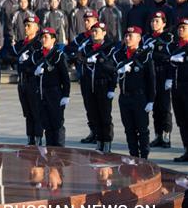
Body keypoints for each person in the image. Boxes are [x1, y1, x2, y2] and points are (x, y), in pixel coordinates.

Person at [112, 26, 155, 159]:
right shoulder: (119, 55)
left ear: (139, 39)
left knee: (142, 130)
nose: (127, 38)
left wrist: (151, 100)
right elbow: (109, 68)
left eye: (131, 36)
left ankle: (144, 158)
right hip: (125, 98)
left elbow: (151, 79)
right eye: (126, 36)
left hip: (139, 97)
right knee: (129, 130)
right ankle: (133, 156)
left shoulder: (145, 56)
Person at [75, 22, 117, 153]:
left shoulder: (109, 48)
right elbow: (78, 59)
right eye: (93, 31)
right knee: (94, 115)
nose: (94, 33)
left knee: (105, 116)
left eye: (97, 31)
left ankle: (107, 142)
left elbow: (113, 69)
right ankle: (99, 141)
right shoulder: (86, 47)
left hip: (103, 85)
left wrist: (111, 88)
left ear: (104, 33)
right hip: (89, 85)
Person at [33, 27, 70, 147]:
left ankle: (59, 152)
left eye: (46, 37)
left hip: (55, 93)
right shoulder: (37, 54)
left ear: (53, 39)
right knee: (46, 124)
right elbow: (25, 67)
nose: (43, 40)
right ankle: (50, 150)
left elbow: (65, 77)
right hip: (41, 93)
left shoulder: (58, 55)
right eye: (42, 37)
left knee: (57, 123)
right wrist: (34, 71)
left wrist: (65, 95)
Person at [66, 10, 99, 144]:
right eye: (85, 20)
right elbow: (69, 49)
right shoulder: (81, 37)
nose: (86, 23)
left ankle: (101, 133)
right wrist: (75, 55)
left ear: (96, 21)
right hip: (84, 75)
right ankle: (93, 131)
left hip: (97, 77)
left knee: (99, 106)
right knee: (89, 105)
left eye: (89, 20)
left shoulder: (98, 36)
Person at [13, 14, 43, 145]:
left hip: (33, 81)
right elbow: (11, 57)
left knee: (36, 111)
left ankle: (38, 137)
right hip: (22, 81)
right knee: (27, 111)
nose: (26, 28)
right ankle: (30, 137)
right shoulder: (20, 44)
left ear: (37, 27)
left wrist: (27, 63)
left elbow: (38, 61)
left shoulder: (38, 44)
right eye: (25, 25)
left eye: (29, 26)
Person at [146, 11, 175, 149]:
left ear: (164, 23)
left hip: (163, 74)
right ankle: (157, 135)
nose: (154, 23)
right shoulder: (147, 38)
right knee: (155, 107)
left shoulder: (168, 37)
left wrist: (152, 53)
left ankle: (166, 135)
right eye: (152, 21)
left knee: (164, 107)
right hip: (151, 76)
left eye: (157, 21)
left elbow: (168, 57)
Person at [168, 18, 188, 162]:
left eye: (184, 28)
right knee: (181, 121)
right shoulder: (174, 46)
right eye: (179, 27)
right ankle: (186, 150)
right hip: (176, 87)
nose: (181, 30)